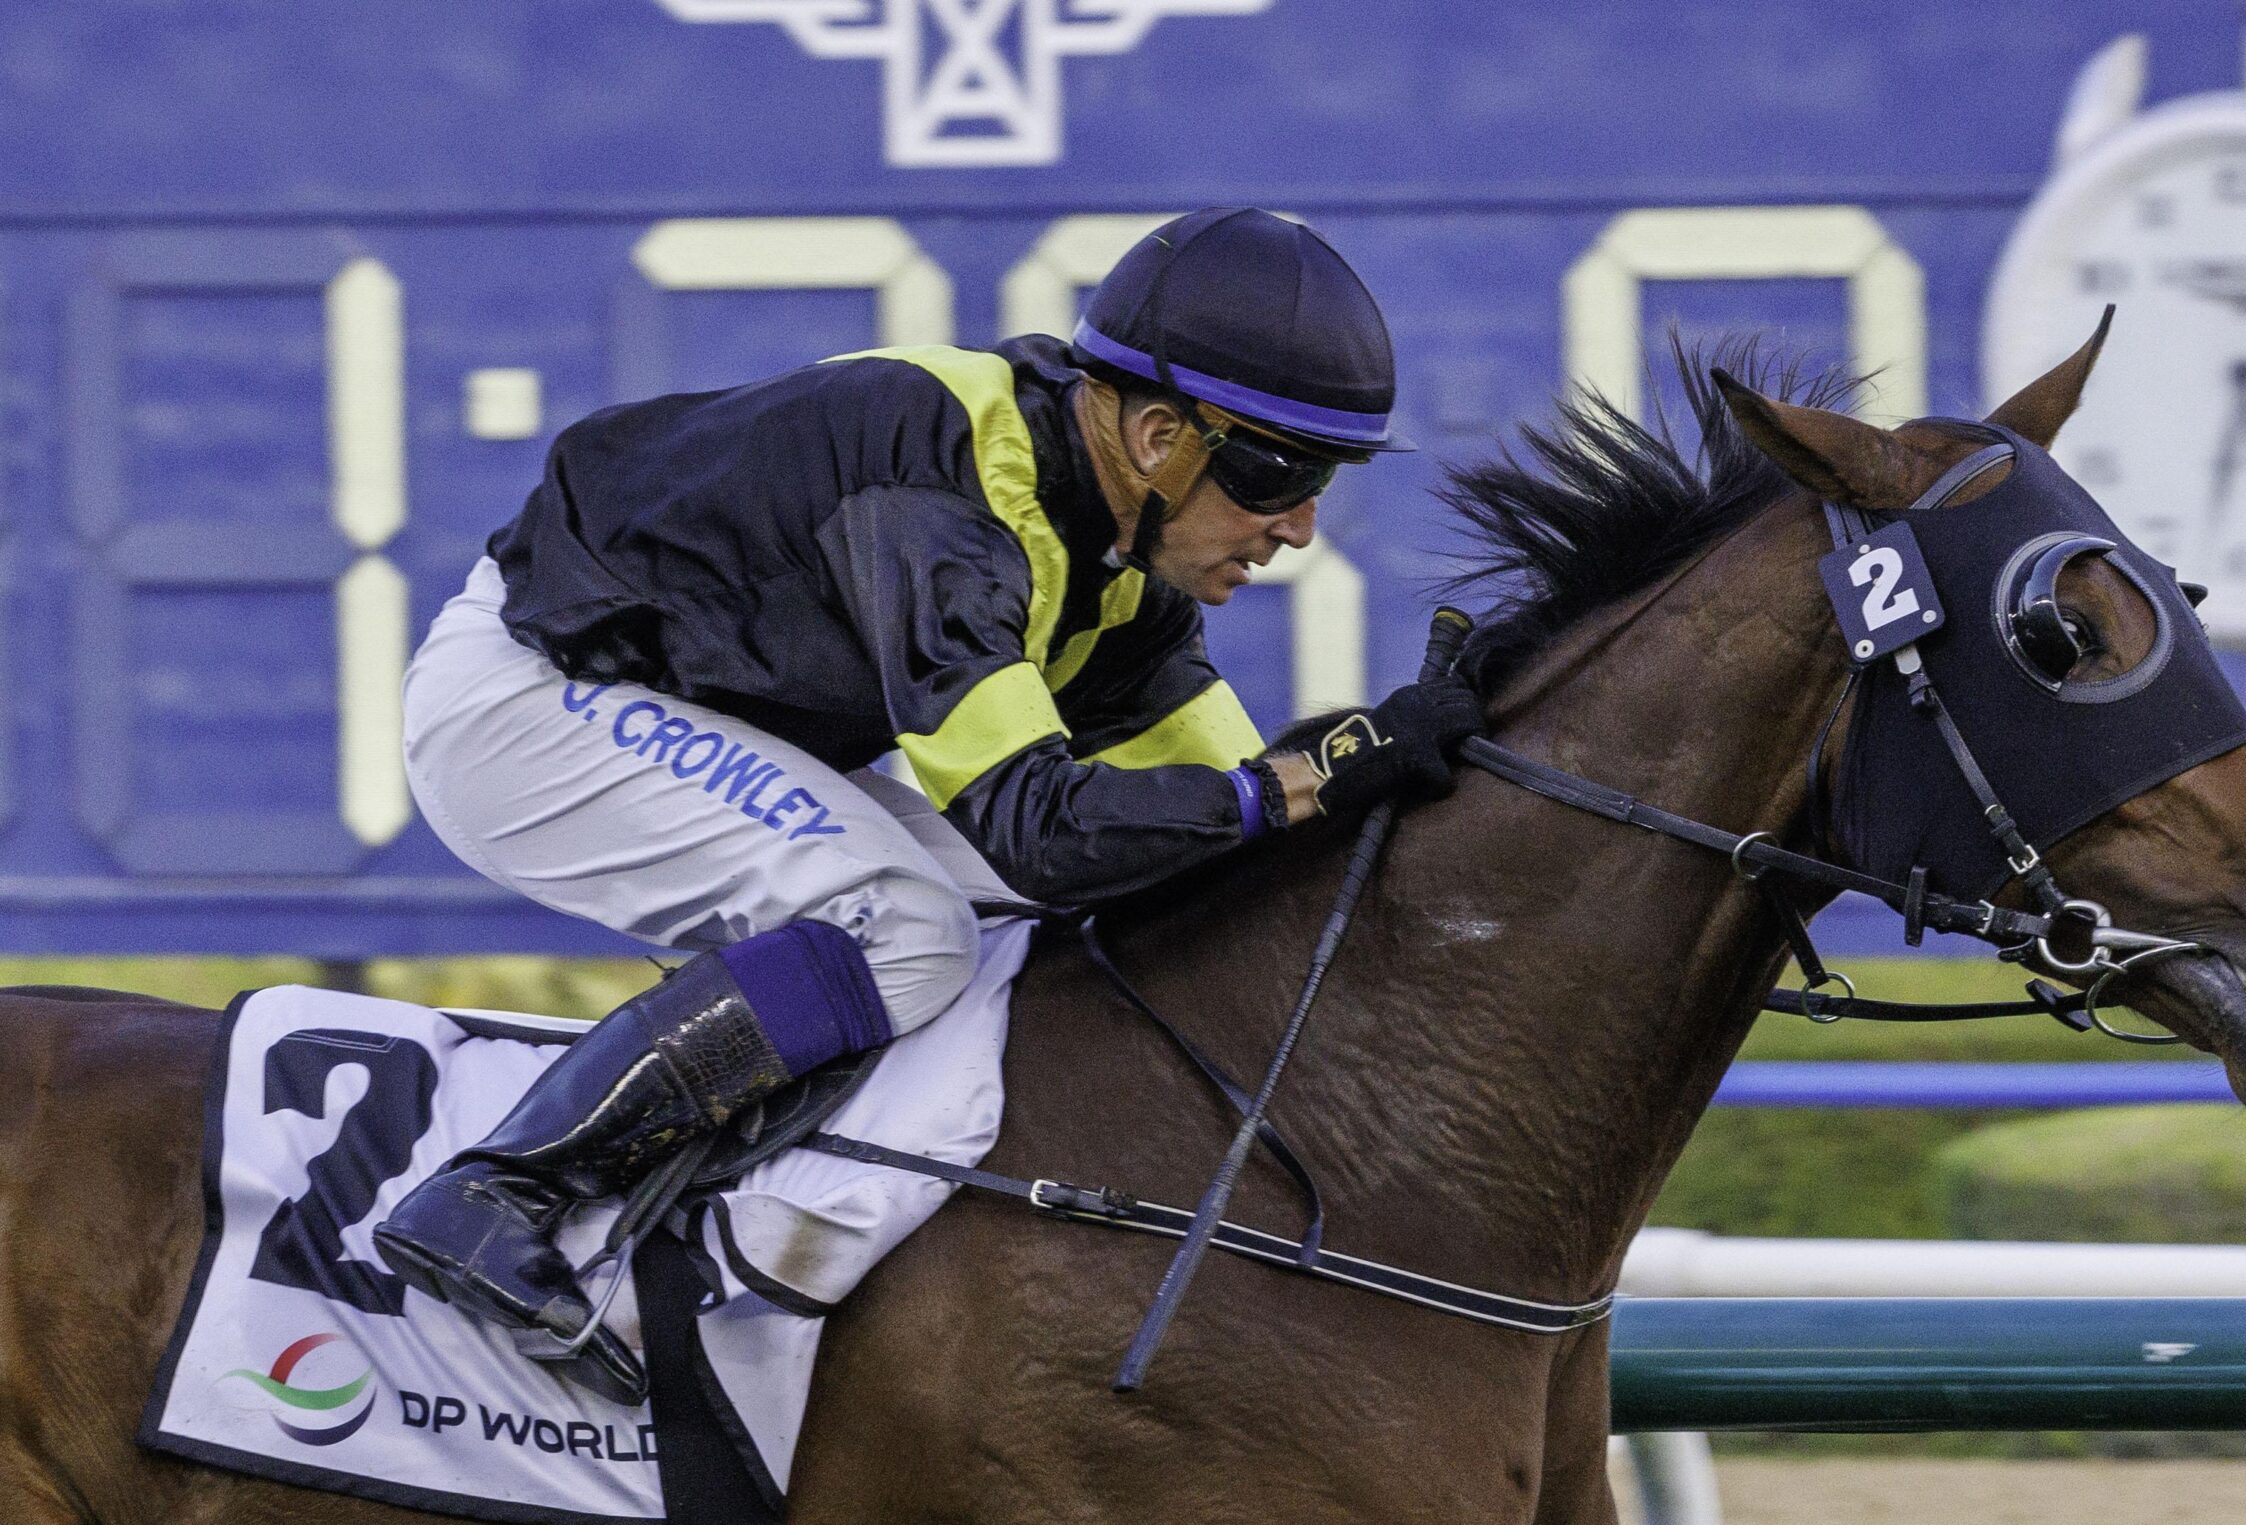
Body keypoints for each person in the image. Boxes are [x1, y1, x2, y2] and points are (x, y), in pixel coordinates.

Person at [372, 208, 1484, 1402]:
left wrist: (1395, 787)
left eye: (1324, 481)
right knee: (908, 926)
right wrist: (1316, 774)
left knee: (1072, 900)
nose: (1299, 527)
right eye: (1280, 473)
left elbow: (1226, 835)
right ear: (1158, 436)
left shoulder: (1121, 567)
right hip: (535, 699)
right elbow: (1044, 830)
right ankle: (500, 1190)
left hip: (685, 708)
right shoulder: (947, 500)